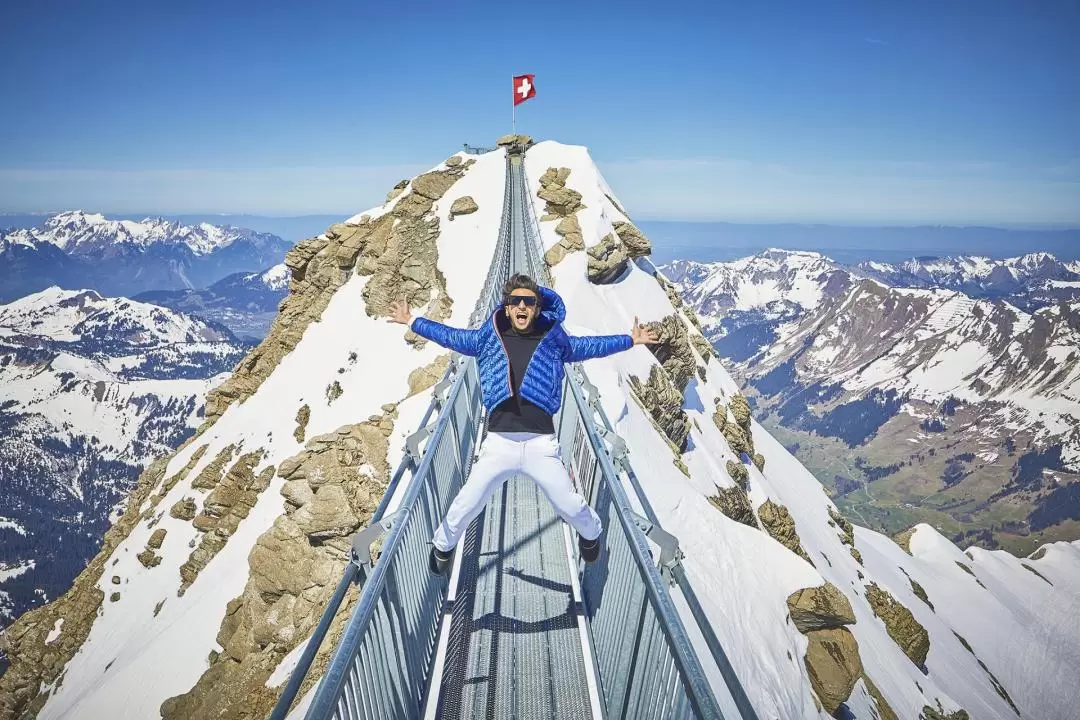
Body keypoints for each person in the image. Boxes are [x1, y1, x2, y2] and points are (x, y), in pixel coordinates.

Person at [388, 273, 659, 574]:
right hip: (499, 443)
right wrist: (413, 321)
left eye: (528, 302)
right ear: (505, 307)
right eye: (514, 301)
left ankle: (592, 535)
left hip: (540, 444)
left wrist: (630, 340)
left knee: (569, 506)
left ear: (537, 308)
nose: (521, 306)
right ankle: (442, 546)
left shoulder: (554, 338)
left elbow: (590, 346)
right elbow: (451, 336)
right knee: (467, 503)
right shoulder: (488, 336)